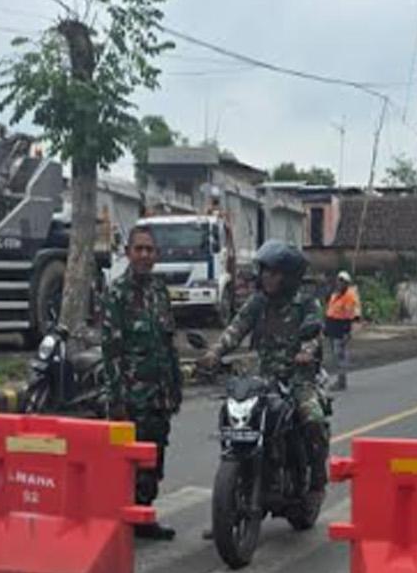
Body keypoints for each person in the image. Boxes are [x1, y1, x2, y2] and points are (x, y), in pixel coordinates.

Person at [199, 240, 330, 524]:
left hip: (299, 379)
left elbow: (314, 335)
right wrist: (214, 352)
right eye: (265, 271)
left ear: (289, 276)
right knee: (233, 416)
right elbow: (236, 328)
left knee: (313, 420)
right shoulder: (258, 302)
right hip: (264, 379)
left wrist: (306, 352)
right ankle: (229, 501)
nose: (267, 277)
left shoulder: (306, 303)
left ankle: (317, 482)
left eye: (274, 272)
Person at [96, 224, 184, 541]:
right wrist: (118, 399)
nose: (145, 255)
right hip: (131, 397)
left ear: (156, 255)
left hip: (158, 395)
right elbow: (111, 351)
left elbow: (168, 342)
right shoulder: (116, 294)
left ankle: (144, 516)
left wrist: (175, 387)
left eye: (150, 250)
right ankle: (121, 521)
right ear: (128, 253)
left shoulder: (159, 292)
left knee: (154, 458)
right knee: (125, 463)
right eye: (139, 249)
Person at [324, 271, 363, 391]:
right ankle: (340, 380)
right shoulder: (335, 294)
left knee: (339, 355)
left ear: (346, 283)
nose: (339, 283)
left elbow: (352, 314)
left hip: (341, 328)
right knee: (335, 356)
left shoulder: (350, 296)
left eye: (342, 281)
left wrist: (348, 331)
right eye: (338, 281)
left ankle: (341, 381)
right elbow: (331, 311)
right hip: (332, 327)